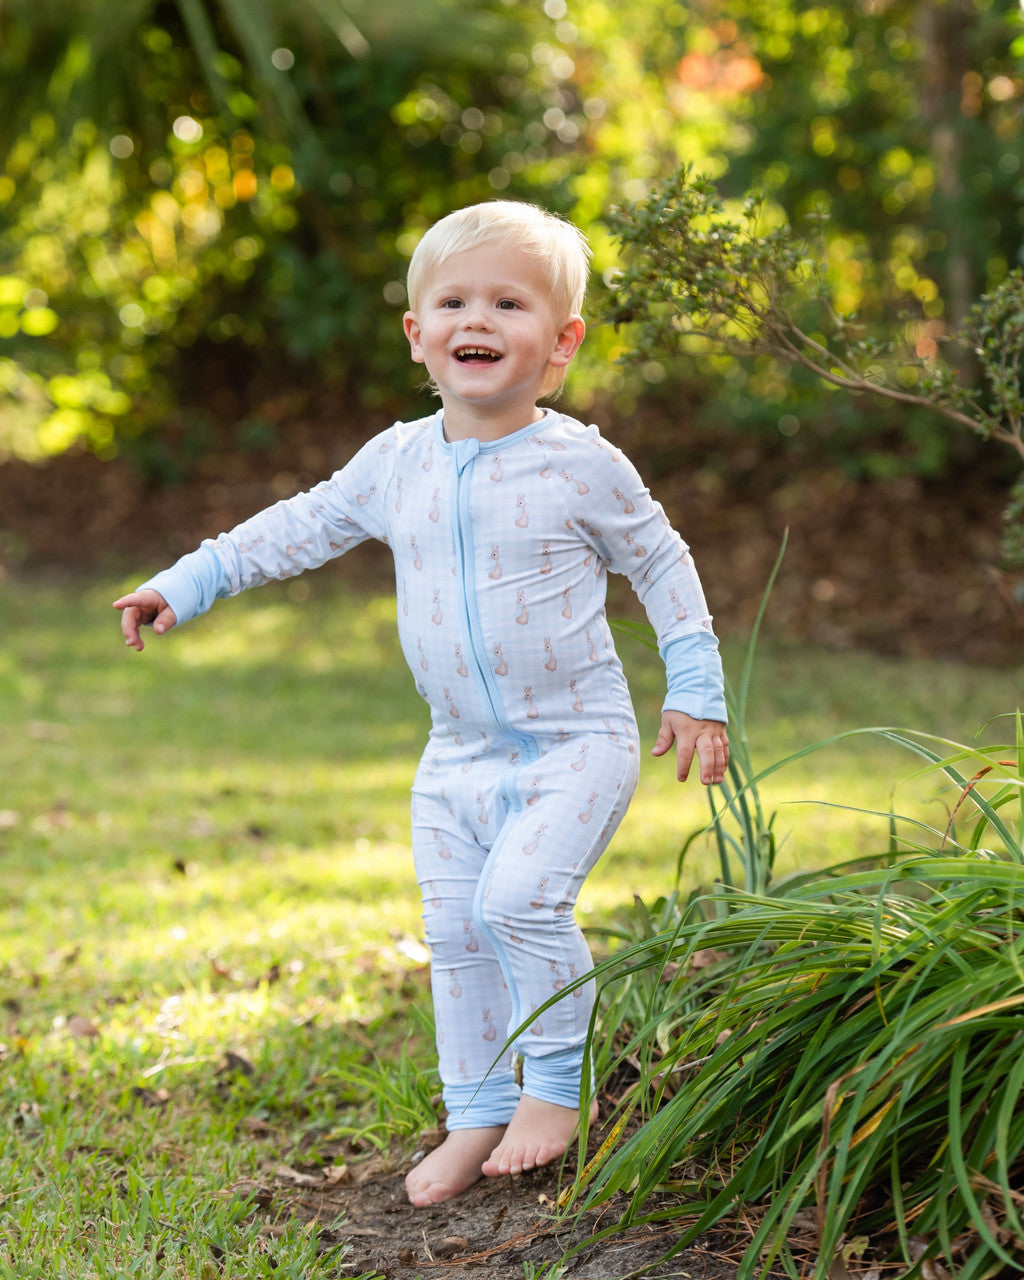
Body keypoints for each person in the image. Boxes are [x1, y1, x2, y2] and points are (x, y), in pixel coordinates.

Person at [114, 200, 729, 1208]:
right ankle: (476, 1106)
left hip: (575, 741)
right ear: (416, 334)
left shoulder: (580, 462)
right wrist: (184, 583)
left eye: (507, 302)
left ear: (560, 342)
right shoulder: (394, 461)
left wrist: (694, 688)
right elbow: (295, 526)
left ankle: (555, 1091)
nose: (473, 318)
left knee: (519, 902)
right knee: (455, 934)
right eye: (451, 300)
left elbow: (661, 562)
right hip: (454, 755)